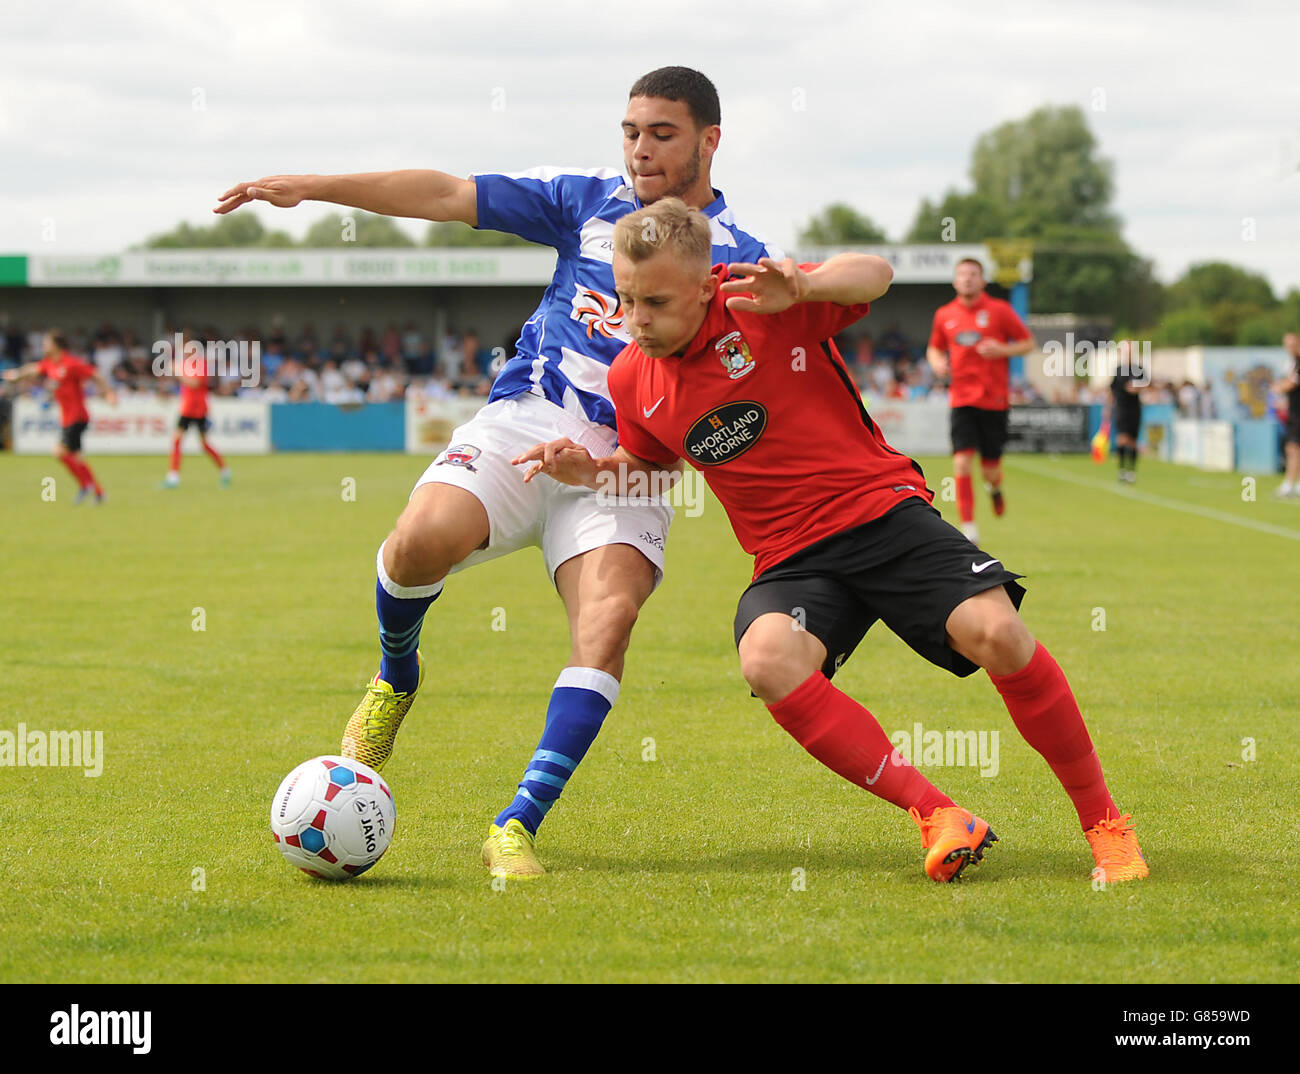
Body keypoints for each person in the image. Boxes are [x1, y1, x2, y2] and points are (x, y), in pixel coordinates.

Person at [213, 67, 780, 879]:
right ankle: (396, 676)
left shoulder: (745, 264)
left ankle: (516, 824)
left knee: (607, 622)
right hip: (528, 422)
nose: (641, 149)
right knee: (417, 544)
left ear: (709, 141)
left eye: (662, 133)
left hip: (627, 466)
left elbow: (745, 401)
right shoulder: (585, 200)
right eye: (630, 131)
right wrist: (315, 186)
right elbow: (447, 193)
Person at [517, 198, 1148, 884]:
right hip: (791, 560)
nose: (637, 320)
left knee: (997, 635)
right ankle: (938, 815)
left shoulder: (765, 304)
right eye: (627, 299)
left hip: (882, 514)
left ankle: (1105, 826)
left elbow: (875, 273)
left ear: (706, 285)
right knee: (768, 659)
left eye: (656, 303)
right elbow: (652, 468)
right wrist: (593, 472)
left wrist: (808, 284)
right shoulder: (630, 378)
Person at [926, 259, 1036, 544]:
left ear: (983, 281)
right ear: (954, 281)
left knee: (990, 470)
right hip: (961, 399)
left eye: (973, 274)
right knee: (961, 463)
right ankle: (970, 529)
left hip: (994, 400)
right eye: (962, 274)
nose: (967, 279)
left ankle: (995, 489)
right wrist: (938, 363)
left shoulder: (999, 310)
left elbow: (1028, 343)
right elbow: (934, 348)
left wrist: (1002, 349)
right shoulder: (944, 314)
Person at [3, 330, 117, 503]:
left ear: (56, 345)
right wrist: (16, 375)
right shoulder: (50, 363)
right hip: (67, 418)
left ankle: (88, 486)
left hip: (77, 416)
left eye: (46, 343)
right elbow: (33, 369)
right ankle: (97, 492)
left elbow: (95, 375)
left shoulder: (71, 363)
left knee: (58, 452)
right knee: (76, 457)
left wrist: (109, 393)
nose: (44, 346)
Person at [162, 334, 231, 489]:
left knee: (204, 444)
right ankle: (173, 476)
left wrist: (177, 371)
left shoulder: (200, 364)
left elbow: (195, 382)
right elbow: (185, 385)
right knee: (177, 440)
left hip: (198, 409)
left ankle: (225, 471)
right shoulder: (186, 364)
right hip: (187, 408)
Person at [1106, 340, 1145, 484]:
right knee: (1122, 439)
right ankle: (1121, 470)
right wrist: (1107, 408)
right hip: (1121, 408)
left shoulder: (1138, 369)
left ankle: (1131, 471)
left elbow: (1144, 385)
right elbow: (1112, 389)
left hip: (1134, 409)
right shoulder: (1118, 370)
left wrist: (1135, 388)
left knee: (1133, 441)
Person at [1273, 332, 1300, 499]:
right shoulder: (1292, 363)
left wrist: (1279, 387)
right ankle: (1291, 483)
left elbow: (1291, 384)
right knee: (1292, 447)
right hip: (1294, 411)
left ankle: (1291, 483)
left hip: (1299, 413)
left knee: (1294, 447)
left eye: (1291, 344)